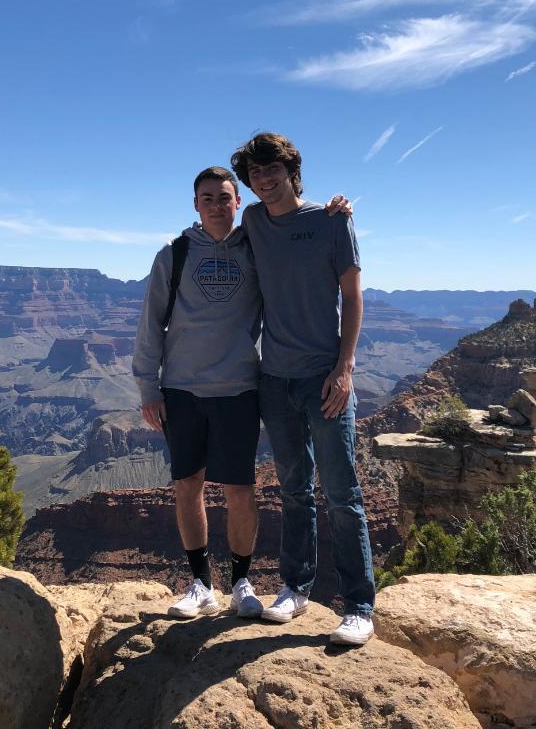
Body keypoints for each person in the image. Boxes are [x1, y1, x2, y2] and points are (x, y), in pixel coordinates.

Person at [230, 132, 375, 646]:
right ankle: (296, 587)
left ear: (292, 171)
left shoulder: (331, 221)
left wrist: (345, 367)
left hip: (324, 378)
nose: (264, 181)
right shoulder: (251, 220)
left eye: (272, 171)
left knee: (342, 493)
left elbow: (353, 297)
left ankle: (359, 606)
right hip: (275, 378)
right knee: (293, 490)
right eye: (255, 174)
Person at [133, 166, 264, 619]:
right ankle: (201, 585)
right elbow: (150, 323)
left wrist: (334, 212)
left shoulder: (255, 248)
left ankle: (242, 583)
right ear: (195, 204)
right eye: (207, 198)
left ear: (237, 202)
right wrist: (148, 386)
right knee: (187, 486)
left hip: (239, 387)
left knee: (240, 489)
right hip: (182, 388)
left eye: (224, 197)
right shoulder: (175, 253)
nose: (216, 205)